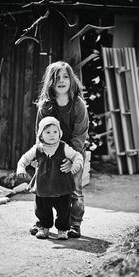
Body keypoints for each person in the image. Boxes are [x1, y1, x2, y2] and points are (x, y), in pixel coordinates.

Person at [30, 60, 89, 238]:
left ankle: (74, 224)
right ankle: (42, 222)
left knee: (74, 190)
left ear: (71, 80)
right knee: (44, 188)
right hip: (48, 153)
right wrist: (38, 154)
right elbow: (39, 133)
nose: (61, 80)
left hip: (73, 153)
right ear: (50, 82)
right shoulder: (45, 107)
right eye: (56, 78)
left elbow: (80, 136)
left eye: (65, 76)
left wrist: (70, 159)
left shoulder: (78, 105)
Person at [16, 116, 84, 240]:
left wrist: (75, 165)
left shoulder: (64, 147)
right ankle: (44, 227)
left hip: (62, 187)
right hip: (43, 187)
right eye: (47, 132)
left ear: (60, 133)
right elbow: (24, 159)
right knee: (42, 210)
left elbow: (77, 156)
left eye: (55, 131)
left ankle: (62, 229)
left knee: (64, 210)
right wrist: (21, 169)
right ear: (41, 135)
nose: (52, 135)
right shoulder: (37, 148)